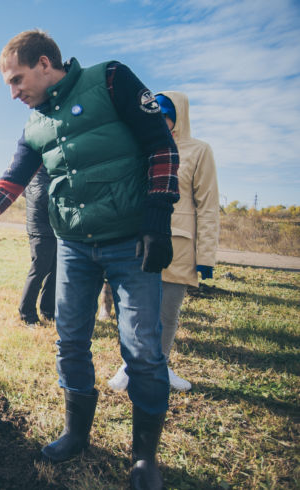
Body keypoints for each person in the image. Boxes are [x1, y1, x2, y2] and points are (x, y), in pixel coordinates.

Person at [0, 30, 179, 490]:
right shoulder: (34, 126)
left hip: (131, 242)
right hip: (75, 247)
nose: (13, 92)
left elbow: (160, 146)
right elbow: (10, 183)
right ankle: (77, 434)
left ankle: (144, 458)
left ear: (45, 64)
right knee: (69, 341)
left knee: (142, 350)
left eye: (17, 79)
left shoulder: (111, 80)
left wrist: (157, 219)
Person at [108, 91, 218, 394]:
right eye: (154, 113)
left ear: (179, 115)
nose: (159, 120)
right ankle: (129, 366)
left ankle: (161, 366)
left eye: (165, 114)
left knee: (167, 313)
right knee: (135, 310)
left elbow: (208, 205)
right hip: (140, 241)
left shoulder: (199, 151)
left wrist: (206, 255)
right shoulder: (142, 147)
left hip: (180, 246)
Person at [18, 167, 57, 326]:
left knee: (54, 271)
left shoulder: (49, 171)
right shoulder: (38, 170)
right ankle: (27, 313)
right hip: (40, 229)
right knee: (39, 270)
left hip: (52, 227)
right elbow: (41, 195)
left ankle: (48, 311)